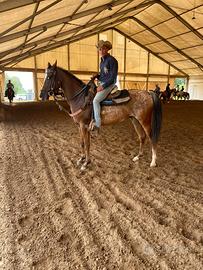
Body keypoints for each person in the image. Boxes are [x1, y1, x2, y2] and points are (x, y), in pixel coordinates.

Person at [91, 40, 118, 132]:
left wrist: (102, 87)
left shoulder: (112, 60)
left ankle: (97, 124)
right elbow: (103, 75)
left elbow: (113, 77)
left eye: (103, 49)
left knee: (95, 101)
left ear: (107, 49)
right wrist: (97, 76)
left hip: (109, 84)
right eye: (99, 49)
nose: (101, 51)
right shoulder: (102, 61)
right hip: (102, 83)